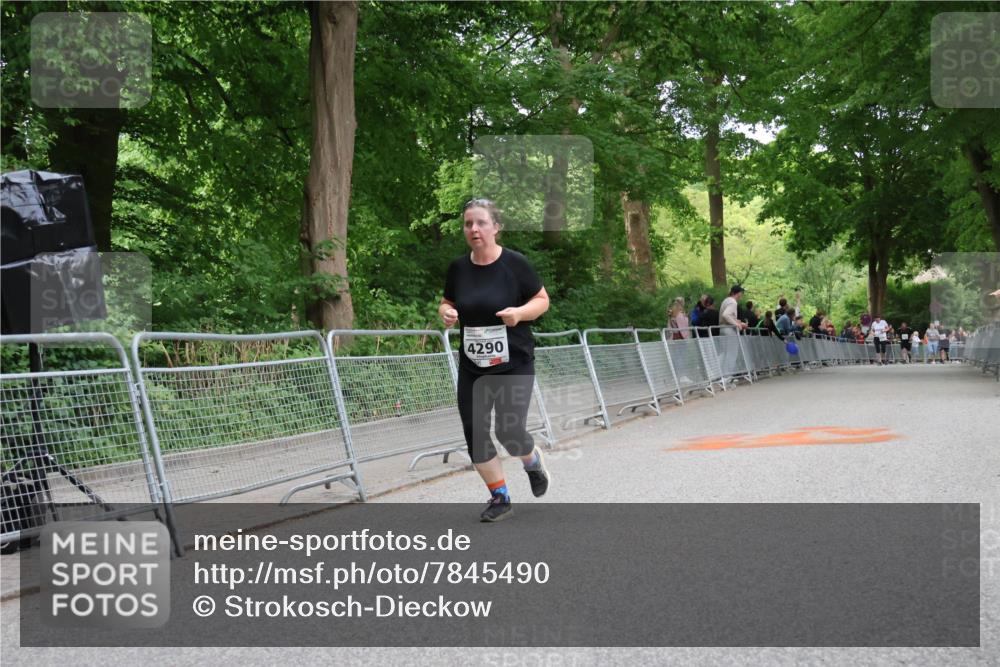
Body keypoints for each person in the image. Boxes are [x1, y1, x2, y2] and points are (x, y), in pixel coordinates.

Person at [439, 198, 551, 522]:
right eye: (468, 224)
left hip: (514, 362)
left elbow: (542, 300)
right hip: (473, 367)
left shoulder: (516, 264)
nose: (473, 229)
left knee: (509, 430)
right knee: (474, 429)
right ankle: (500, 496)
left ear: (496, 227)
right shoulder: (458, 269)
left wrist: (519, 313)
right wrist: (446, 313)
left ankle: (532, 463)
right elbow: (446, 302)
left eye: (481, 223)